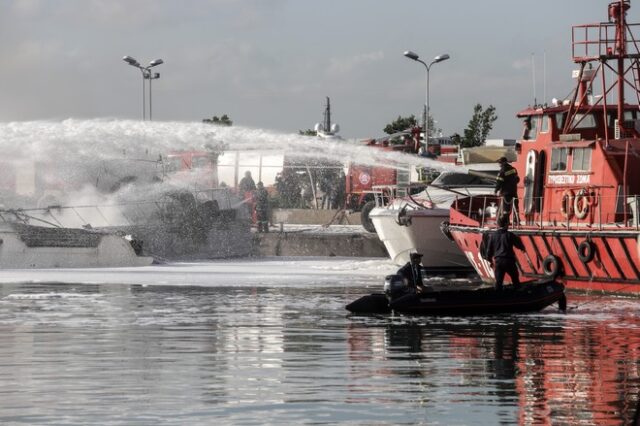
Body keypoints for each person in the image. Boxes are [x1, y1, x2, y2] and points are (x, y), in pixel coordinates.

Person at [481, 215, 525, 291]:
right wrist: (522, 248)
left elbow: (489, 251)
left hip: (499, 261)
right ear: (506, 224)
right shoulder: (510, 235)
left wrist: (490, 260)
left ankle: (498, 298)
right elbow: (519, 244)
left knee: (498, 282)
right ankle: (517, 296)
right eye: (508, 223)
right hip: (509, 261)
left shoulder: (493, 236)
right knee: (515, 279)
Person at [495, 156, 520, 225]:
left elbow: (499, 182)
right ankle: (517, 220)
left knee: (506, 208)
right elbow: (517, 179)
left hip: (506, 192)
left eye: (499, 163)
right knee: (515, 206)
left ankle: (506, 222)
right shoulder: (513, 169)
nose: (499, 164)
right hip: (514, 191)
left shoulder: (502, 171)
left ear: (503, 163)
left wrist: (496, 190)